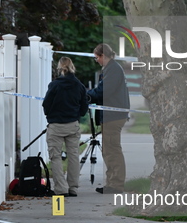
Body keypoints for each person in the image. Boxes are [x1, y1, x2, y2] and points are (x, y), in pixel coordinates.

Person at [87, 43, 130, 194]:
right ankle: (111, 182)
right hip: (111, 115)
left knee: (112, 150)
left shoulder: (113, 70)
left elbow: (104, 91)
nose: (96, 60)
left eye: (96, 57)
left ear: (103, 56)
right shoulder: (112, 69)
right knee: (109, 150)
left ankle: (116, 185)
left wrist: (87, 95)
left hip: (113, 116)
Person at [42, 57, 88, 197]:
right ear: (72, 67)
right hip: (72, 124)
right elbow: (84, 107)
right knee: (73, 155)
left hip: (56, 125)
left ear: (59, 68)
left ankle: (61, 189)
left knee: (55, 157)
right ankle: (73, 187)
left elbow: (46, 104)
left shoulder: (54, 85)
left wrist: (50, 116)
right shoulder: (79, 86)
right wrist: (76, 115)